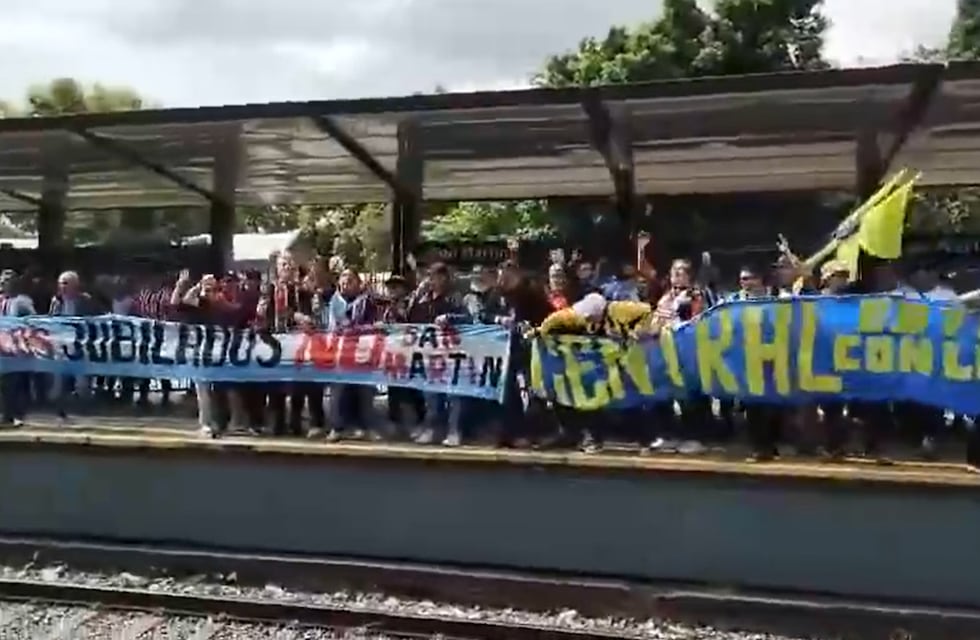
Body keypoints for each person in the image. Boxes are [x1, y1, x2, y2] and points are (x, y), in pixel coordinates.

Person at [407, 262, 462, 445]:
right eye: (430, 276)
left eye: (436, 276)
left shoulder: (455, 298)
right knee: (430, 394)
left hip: (451, 354)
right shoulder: (424, 299)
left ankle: (454, 431)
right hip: (430, 355)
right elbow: (411, 319)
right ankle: (432, 429)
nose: (432, 280)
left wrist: (450, 319)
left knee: (453, 394)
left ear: (445, 278)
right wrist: (416, 295)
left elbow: (469, 319)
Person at [321, 268, 377, 441]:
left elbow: (374, 324)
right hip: (340, 352)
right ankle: (337, 427)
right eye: (343, 281)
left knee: (362, 390)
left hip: (362, 352)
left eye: (350, 281)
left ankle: (362, 426)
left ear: (358, 283)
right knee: (338, 391)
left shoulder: (367, 302)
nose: (346, 284)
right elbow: (331, 326)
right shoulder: (334, 302)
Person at [48, 271, 97, 424]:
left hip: (79, 346)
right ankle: (60, 412)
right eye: (61, 283)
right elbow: (50, 320)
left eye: (66, 283)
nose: (62, 287)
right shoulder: (56, 301)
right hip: (60, 347)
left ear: (75, 286)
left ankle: (85, 411)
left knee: (82, 382)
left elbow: (95, 320)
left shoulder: (86, 300)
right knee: (59, 381)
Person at [0, 270, 35, 428]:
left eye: (6, 280)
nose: (3, 283)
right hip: (1, 347)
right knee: (4, 384)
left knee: (16, 383)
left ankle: (17, 415)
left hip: (16, 347)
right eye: (1, 281)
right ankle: (6, 414)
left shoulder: (22, 301)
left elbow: (33, 320)